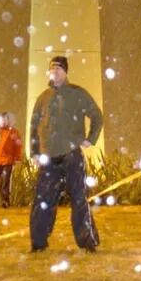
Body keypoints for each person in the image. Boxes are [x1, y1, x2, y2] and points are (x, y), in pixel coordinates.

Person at [29, 55, 103, 254]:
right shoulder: (43, 98)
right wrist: (34, 152)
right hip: (48, 159)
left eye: (59, 69)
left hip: (71, 155)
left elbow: (96, 115)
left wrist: (91, 138)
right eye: (53, 69)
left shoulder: (77, 93)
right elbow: (34, 126)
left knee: (79, 200)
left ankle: (87, 242)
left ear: (66, 72)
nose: (56, 72)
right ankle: (38, 243)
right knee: (42, 202)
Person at [0, 112, 23, 208]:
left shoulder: (13, 132)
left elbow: (18, 145)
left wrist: (17, 158)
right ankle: (3, 199)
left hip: (8, 160)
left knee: (6, 181)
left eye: (5, 119)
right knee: (0, 182)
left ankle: (5, 201)